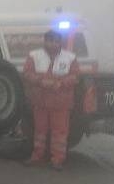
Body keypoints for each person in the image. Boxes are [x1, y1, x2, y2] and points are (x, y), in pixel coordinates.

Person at [23, 30, 81, 171]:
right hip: (40, 101)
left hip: (61, 103)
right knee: (39, 132)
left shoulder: (70, 58)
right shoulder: (33, 56)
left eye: (56, 41)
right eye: (50, 41)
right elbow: (27, 73)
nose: (53, 44)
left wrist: (60, 83)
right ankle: (37, 157)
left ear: (60, 42)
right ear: (45, 41)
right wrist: (42, 82)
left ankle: (57, 160)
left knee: (59, 133)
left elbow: (75, 77)